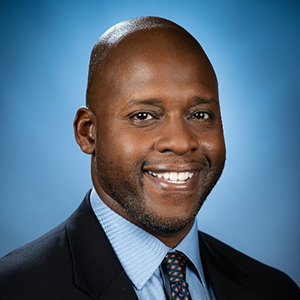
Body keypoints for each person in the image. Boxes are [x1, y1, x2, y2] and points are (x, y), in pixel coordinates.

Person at [0, 16, 299, 300]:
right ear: (89, 133)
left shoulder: (274, 289)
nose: (181, 142)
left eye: (200, 114)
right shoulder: (15, 288)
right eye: (143, 116)